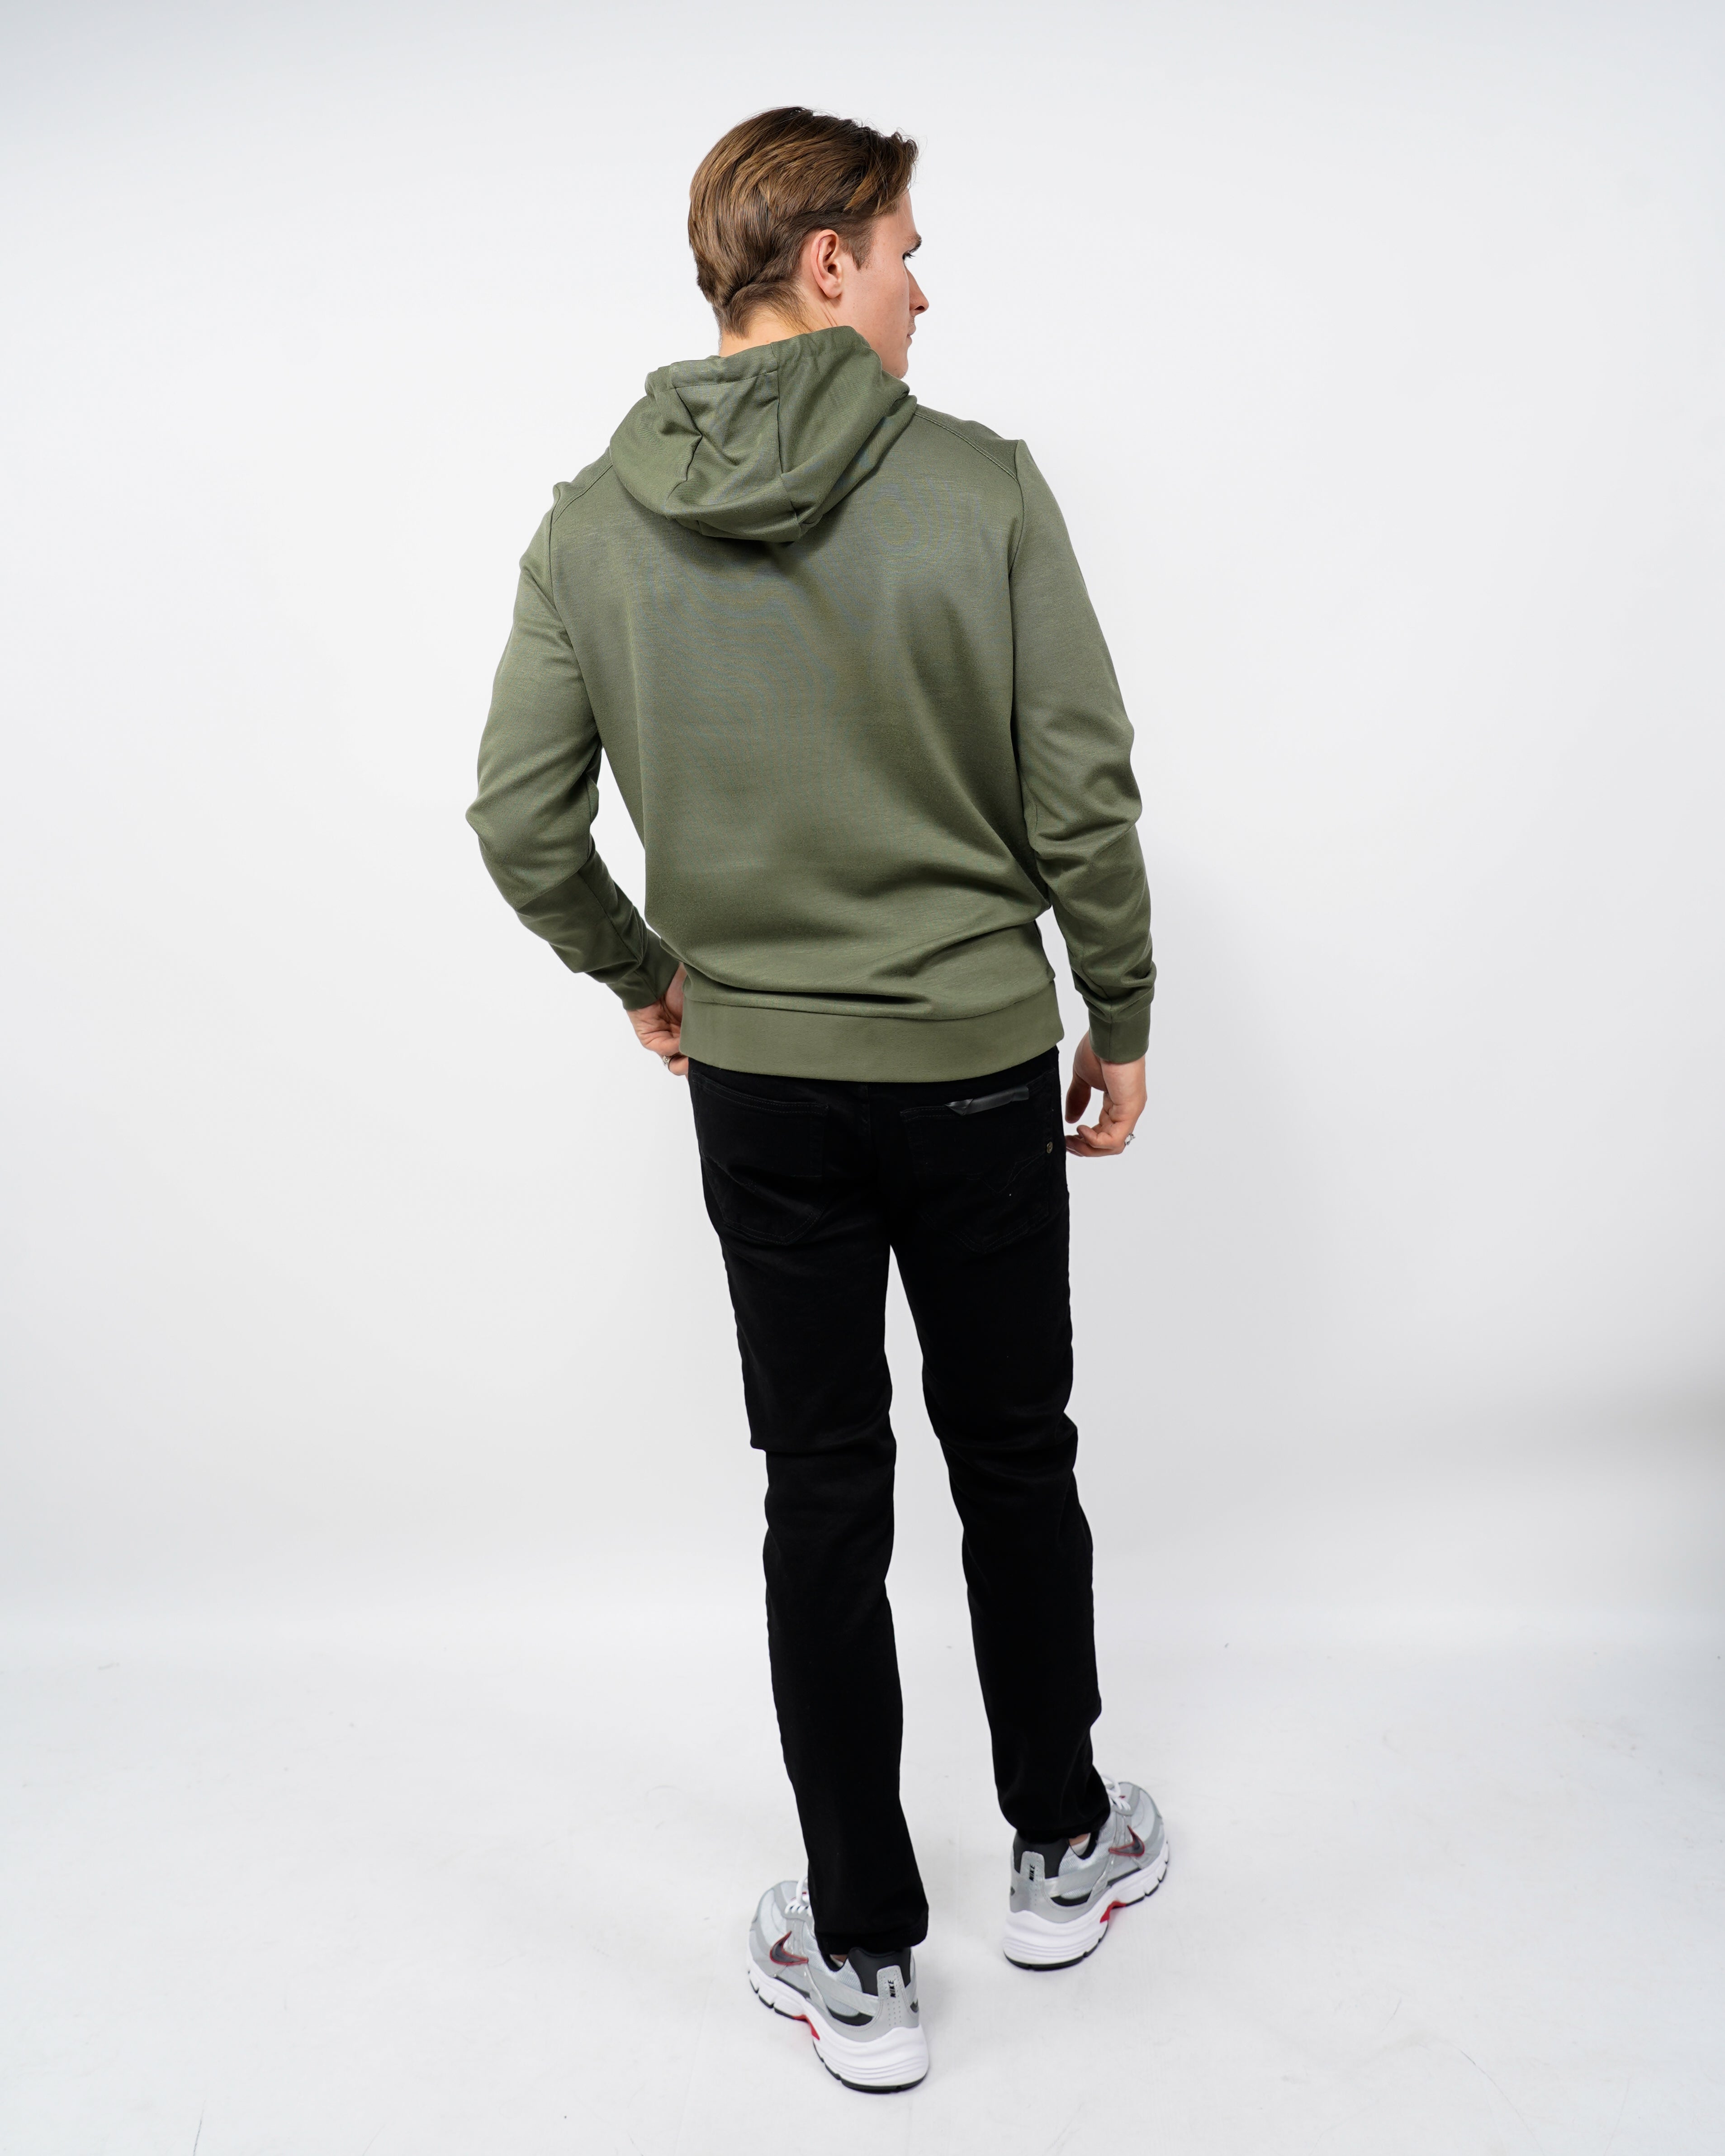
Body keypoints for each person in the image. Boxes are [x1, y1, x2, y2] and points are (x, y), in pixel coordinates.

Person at [467, 105, 1166, 2094]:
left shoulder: (591, 524)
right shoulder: (982, 489)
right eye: (909, 247)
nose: (928, 286)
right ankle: (1062, 1843)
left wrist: (647, 974)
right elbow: (1082, 791)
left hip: (761, 1083)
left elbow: (518, 821)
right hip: (971, 1066)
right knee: (1013, 1451)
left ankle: (861, 1948)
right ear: (828, 259)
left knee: (822, 1489)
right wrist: (1117, 1009)